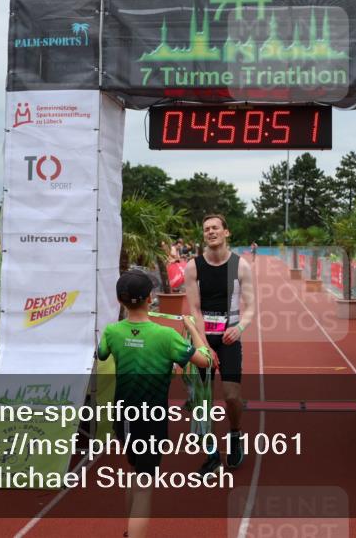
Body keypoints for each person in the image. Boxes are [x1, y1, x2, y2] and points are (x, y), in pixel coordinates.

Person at [97, 269, 211, 538]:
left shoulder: (112, 331)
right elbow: (204, 359)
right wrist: (194, 329)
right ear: (151, 298)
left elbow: (102, 354)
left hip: (123, 418)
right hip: (151, 421)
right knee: (146, 483)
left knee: (136, 473)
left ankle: (129, 531)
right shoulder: (166, 336)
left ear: (120, 300)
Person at [183, 213, 256, 473]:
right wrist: (204, 345)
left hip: (228, 338)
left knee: (231, 396)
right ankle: (212, 454)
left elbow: (250, 308)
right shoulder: (193, 267)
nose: (210, 232)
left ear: (227, 232)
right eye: (206, 229)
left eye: (215, 228)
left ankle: (235, 436)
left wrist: (239, 328)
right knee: (203, 401)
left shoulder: (240, 266)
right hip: (203, 336)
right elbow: (194, 309)